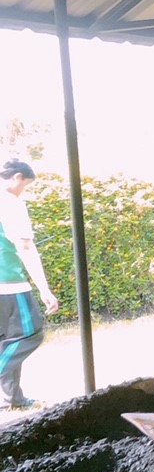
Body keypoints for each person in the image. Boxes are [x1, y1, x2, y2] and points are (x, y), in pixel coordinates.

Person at [0, 160, 59, 410]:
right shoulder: (10, 203)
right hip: (9, 283)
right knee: (30, 332)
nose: (23, 190)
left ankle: (12, 399)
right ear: (16, 177)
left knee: (7, 340)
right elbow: (25, 247)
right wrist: (44, 289)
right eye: (25, 184)